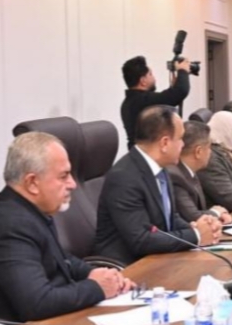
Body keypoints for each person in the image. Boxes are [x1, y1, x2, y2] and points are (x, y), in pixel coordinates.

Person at [0, 132, 132, 325]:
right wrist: (97, 288)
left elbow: (60, 258)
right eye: (63, 176)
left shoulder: (25, 209)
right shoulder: (9, 225)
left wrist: (94, 273)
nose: (73, 184)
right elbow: (38, 303)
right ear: (32, 183)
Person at [94, 105, 222, 264]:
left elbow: (170, 218)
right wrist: (196, 235)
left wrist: (197, 227)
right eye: (180, 138)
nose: (183, 145)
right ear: (165, 143)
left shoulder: (160, 169)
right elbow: (141, 240)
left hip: (158, 258)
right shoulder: (124, 177)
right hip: (129, 267)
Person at [167, 121, 232, 225]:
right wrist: (216, 212)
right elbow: (192, 216)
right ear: (198, 152)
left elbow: (199, 209)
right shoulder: (175, 176)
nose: (211, 152)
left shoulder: (191, 171)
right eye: (209, 147)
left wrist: (217, 213)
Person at [119, 54, 191, 148]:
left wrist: (175, 86)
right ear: (143, 81)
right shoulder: (142, 101)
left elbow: (166, 97)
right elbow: (180, 92)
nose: (154, 78)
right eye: (150, 74)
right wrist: (183, 70)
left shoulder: (131, 102)